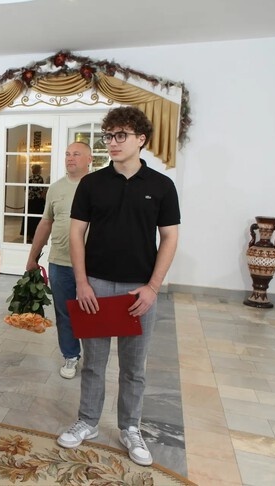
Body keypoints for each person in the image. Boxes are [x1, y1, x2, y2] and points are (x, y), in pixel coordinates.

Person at [57, 106, 180, 467]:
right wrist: (82, 282)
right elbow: (76, 233)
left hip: (139, 291)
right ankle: (87, 421)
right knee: (93, 363)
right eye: (109, 135)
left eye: (120, 135)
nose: (112, 142)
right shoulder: (92, 184)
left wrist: (153, 287)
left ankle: (130, 427)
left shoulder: (161, 186)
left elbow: (170, 237)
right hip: (95, 285)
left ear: (141, 139)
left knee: (134, 368)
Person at [25, 143, 92, 379]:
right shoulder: (56, 188)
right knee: (65, 313)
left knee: (91, 313)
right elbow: (45, 223)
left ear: (90, 159)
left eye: (76, 154)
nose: (70, 158)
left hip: (92, 265)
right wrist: (33, 257)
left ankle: (93, 359)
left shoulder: (99, 186)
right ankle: (71, 355)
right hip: (60, 263)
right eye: (67, 154)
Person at [22, 163, 46, 242]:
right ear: (39, 170)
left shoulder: (29, 178)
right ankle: (35, 236)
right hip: (37, 201)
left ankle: (28, 236)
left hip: (29, 201)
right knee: (36, 219)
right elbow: (41, 190)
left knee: (28, 219)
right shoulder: (40, 178)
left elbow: (25, 189)